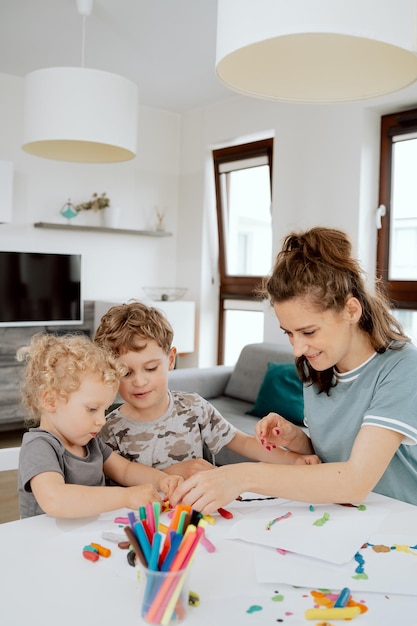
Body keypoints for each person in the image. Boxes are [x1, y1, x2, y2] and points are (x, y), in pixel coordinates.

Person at [170, 226, 417, 513]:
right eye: (289, 333)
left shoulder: (402, 366)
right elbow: (330, 461)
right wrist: (297, 439)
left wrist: (242, 476)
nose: (297, 349)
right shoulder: (316, 366)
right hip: (342, 515)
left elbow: (356, 480)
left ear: (351, 311)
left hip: (399, 522)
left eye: (308, 332)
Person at [94, 301, 320, 479]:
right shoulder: (108, 429)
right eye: (126, 373)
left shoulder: (194, 408)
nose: (140, 381)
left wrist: (294, 461)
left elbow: (242, 442)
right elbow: (119, 481)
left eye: (151, 368)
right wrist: (172, 474)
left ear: (171, 359)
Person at [17, 332, 182, 519]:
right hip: (44, 543)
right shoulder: (39, 446)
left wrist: (161, 480)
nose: (102, 420)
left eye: (104, 410)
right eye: (92, 409)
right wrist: (125, 496)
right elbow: (55, 500)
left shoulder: (90, 443)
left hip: (86, 537)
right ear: (51, 401)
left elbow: (126, 470)